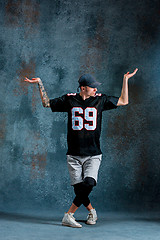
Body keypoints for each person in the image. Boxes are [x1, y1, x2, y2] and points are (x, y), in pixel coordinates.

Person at [24, 68, 138, 228]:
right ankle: (92, 211)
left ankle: (68, 215)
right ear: (83, 88)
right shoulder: (69, 100)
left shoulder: (101, 100)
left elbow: (124, 101)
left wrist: (125, 80)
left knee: (89, 183)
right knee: (80, 191)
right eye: (93, 87)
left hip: (93, 153)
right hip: (74, 154)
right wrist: (39, 83)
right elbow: (46, 103)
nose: (96, 89)